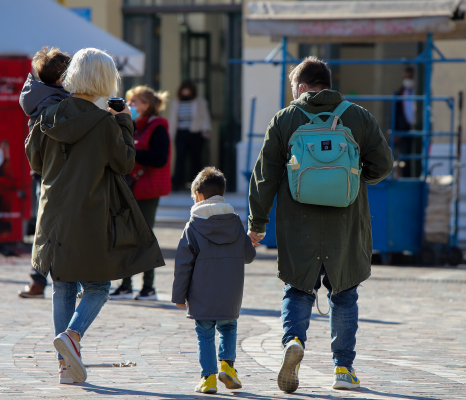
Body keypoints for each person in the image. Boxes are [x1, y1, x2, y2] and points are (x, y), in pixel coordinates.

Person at [247, 56, 393, 393]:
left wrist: (257, 223)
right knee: (344, 294)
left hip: (298, 223)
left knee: (298, 289)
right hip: (346, 221)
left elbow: (264, 177)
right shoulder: (358, 117)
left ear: (300, 87)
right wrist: (357, 179)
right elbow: (383, 165)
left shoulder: (285, 119)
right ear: (327, 84)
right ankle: (343, 369)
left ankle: (293, 340)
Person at [25, 47, 164, 385]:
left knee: (63, 285)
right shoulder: (104, 121)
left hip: (53, 212)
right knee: (99, 285)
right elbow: (125, 163)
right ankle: (72, 336)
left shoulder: (48, 114)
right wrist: (125, 120)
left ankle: (65, 367)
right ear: (105, 80)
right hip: (89, 213)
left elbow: (36, 163)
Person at [172, 167, 256, 394]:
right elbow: (248, 256)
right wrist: (247, 240)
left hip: (202, 294)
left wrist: (179, 296)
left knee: (205, 334)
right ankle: (228, 366)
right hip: (230, 293)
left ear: (198, 195)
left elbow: (183, 265)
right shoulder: (236, 223)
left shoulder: (193, 226)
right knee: (229, 328)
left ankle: (208, 378)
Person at [18, 46, 71, 298]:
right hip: (58, 171)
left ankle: (39, 280)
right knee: (52, 226)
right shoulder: (58, 102)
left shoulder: (38, 95)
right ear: (62, 78)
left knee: (46, 225)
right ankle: (44, 279)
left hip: (43, 170)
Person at [109, 86, 171, 301]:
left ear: (147, 105)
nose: (130, 106)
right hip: (131, 187)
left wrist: (133, 150)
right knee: (125, 237)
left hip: (148, 190)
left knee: (145, 237)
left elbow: (159, 158)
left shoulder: (157, 127)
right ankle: (126, 285)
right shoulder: (133, 125)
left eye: (134, 102)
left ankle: (148, 287)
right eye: (129, 102)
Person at [170, 81, 212, 191]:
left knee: (196, 159)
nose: (186, 92)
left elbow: (204, 116)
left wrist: (206, 129)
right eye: (184, 89)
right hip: (181, 133)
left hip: (195, 133)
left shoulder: (200, 101)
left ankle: (199, 183)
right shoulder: (176, 102)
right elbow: (173, 119)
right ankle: (177, 183)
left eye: (188, 89)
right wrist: (171, 134)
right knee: (180, 158)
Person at [394, 66, 420, 177]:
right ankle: (406, 177)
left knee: (418, 155)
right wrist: (395, 131)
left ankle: (418, 175)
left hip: (417, 129)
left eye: (410, 77)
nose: (408, 79)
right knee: (405, 156)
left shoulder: (418, 92)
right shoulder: (399, 93)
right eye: (406, 77)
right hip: (404, 130)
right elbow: (395, 113)